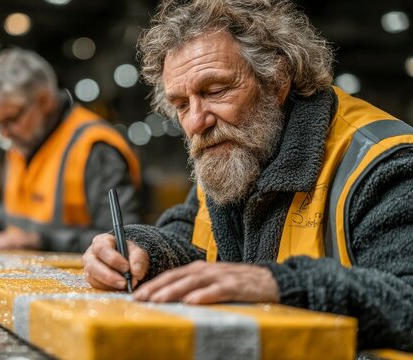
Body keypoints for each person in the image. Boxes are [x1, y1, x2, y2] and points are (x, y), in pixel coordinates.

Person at [83, 0, 413, 352]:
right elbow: (191, 234)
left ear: (277, 79)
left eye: (215, 91)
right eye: (181, 104)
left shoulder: (384, 164)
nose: (196, 122)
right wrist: (140, 249)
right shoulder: (238, 152)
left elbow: (405, 304)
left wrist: (277, 285)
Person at [0, 48, 141, 252]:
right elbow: (17, 211)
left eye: (10, 120)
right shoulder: (23, 143)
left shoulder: (94, 148)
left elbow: (121, 240)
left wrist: (39, 241)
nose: (4, 134)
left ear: (44, 100)